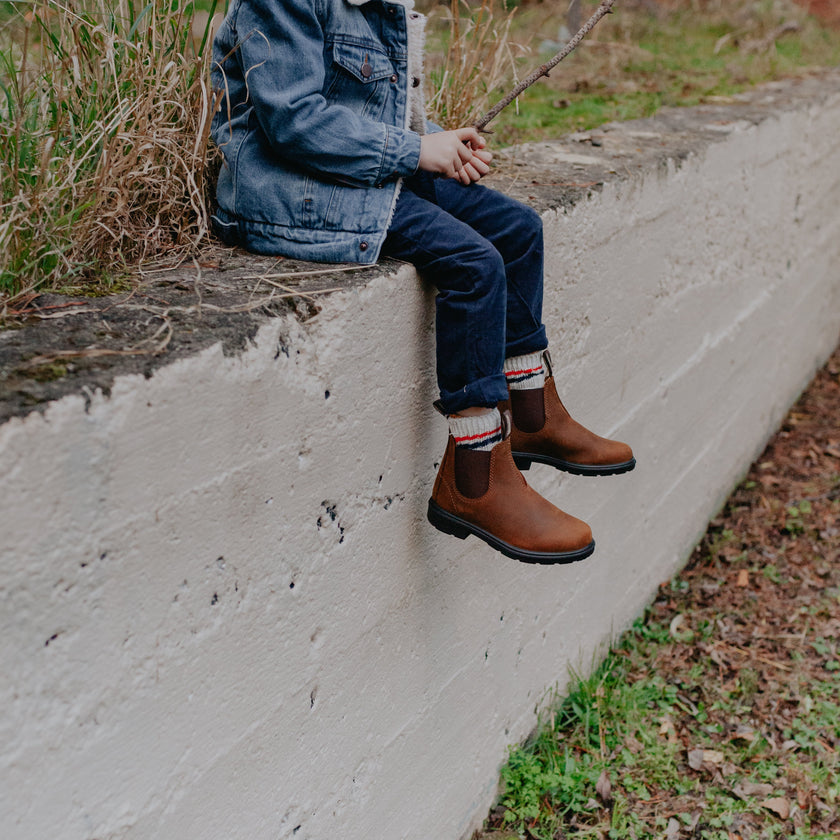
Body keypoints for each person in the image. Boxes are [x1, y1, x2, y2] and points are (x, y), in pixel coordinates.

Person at [210, 0, 635, 564]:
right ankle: (475, 476)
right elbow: (294, 122)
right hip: (292, 194)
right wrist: (415, 151)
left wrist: (439, 140)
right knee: (474, 265)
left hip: (354, 174)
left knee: (518, 230)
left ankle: (531, 416)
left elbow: (373, 110)